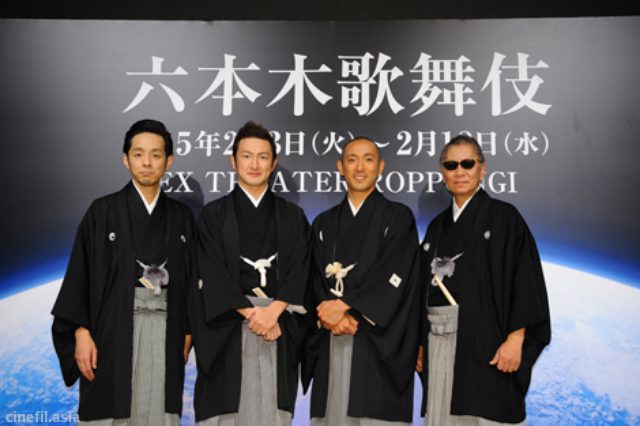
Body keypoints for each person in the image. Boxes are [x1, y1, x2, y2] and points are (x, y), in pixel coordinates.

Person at [51, 119, 195, 424]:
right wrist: (81, 332)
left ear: (169, 161)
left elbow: (191, 282)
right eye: (138, 154)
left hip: (166, 330)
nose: (147, 162)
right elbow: (79, 277)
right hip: (111, 332)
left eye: (156, 155)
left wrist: (187, 332)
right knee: (109, 407)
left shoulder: (181, 217)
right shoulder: (101, 212)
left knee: (161, 411)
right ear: (125, 160)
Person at [417, 135, 551, 425]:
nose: (459, 171)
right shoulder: (437, 227)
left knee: (485, 410)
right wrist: (420, 342)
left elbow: (525, 281)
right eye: (451, 165)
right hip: (438, 342)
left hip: (488, 343)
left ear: (482, 168)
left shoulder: (505, 217)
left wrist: (516, 338)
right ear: (443, 172)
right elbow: (420, 291)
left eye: (468, 163)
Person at [191, 121, 310, 425]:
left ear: (274, 163)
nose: (254, 164)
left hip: (278, 325)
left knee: (273, 412)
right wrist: (254, 314)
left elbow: (302, 267)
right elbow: (210, 270)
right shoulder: (214, 215)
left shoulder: (292, 216)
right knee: (224, 412)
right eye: (246, 156)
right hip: (229, 325)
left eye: (262, 157)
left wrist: (274, 310)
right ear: (233, 161)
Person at [304, 137, 422, 425]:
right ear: (340, 167)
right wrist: (329, 316)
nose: (360, 168)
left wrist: (344, 305)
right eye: (352, 160)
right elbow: (313, 280)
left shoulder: (398, 217)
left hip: (378, 344)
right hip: (332, 338)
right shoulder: (323, 223)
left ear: (380, 167)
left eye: (368, 159)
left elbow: (397, 274)